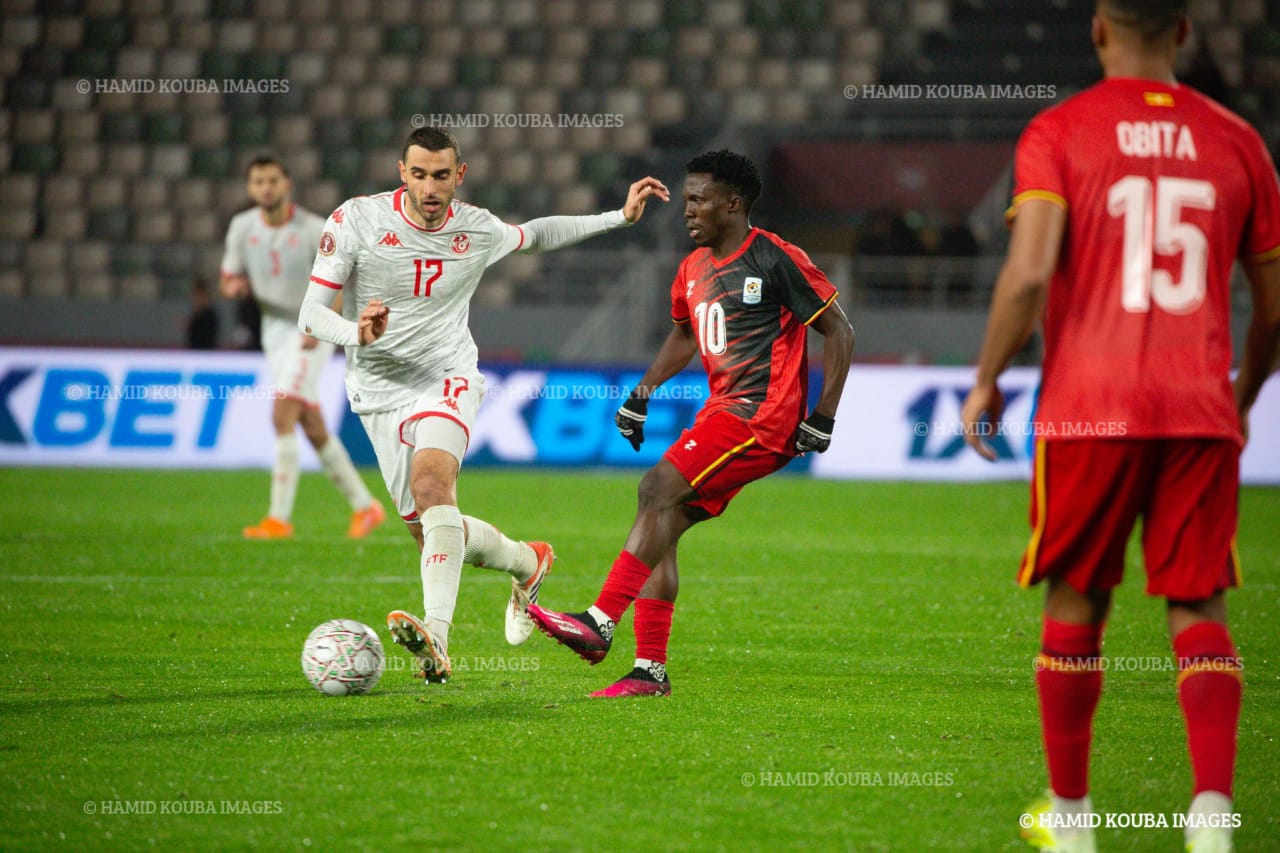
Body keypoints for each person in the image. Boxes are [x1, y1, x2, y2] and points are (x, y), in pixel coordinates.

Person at [959, 3, 1280, 851]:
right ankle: (1211, 816)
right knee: (1198, 603)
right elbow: (1276, 308)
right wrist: (1242, 394)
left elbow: (1029, 275)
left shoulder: (1060, 131)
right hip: (1198, 408)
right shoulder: (1240, 142)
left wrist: (987, 378)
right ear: (1183, 32)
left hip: (1088, 406)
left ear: (1099, 29)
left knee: (1078, 599)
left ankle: (1071, 821)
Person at [298, 126, 670, 683]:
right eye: (419, 174)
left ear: (459, 175)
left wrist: (617, 217)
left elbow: (537, 235)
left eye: (441, 176)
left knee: (432, 490)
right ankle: (528, 561)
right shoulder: (357, 220)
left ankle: (438, 639)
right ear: (402, 173)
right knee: (433, 531)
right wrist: (357, 333)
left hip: (448, 377)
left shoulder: (475, 228)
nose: (430, 187)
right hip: (377, 391)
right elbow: (309, 313)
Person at [527, 150, 855, 697]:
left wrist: (823, 416)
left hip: (761, 416)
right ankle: (649, 672)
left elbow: (840, 330)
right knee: (664, 524)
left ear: (732, 204)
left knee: (655, 487)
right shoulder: (692, 268)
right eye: (685, 200)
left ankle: (599, 622)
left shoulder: (775, 258)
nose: (687, 211)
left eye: (698, 200)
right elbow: (684, 335)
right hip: (722, 412)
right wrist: (641, 395)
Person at [221, 155, 386, 541]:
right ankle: (366, 507)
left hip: (310, 329)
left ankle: (278, 518)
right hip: (273, 328)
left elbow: (345, 283)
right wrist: (233, 287)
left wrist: (321, 322)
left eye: (272, 180)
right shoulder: (242, 228)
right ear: (250, 188)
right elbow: (228, 277)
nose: (266, 187)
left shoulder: (314, 229)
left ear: (287, 184)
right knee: (311, 425)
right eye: (258, 181)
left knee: (282, 414)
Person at [185, 278, 219, 350]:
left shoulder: (210, 315)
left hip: (206, 352)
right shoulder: (195, 314)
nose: (197, 299)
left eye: (200, 296)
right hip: (194, 352)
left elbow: (208, 336)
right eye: (195, 296)